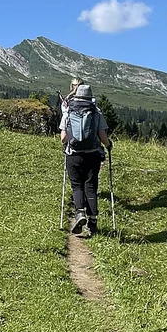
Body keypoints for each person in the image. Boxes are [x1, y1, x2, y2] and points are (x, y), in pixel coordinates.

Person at [60, 83, 111, 238]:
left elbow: (63, 137)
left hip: (74, 154)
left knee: (76, 185)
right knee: (91, 186)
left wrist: (66, 145)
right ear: (90, 97)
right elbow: (102, 136)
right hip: (93, 155)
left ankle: (80, 212)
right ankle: (93, 222)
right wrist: (108, 145)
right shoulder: (96, 112)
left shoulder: (69, 110)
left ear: (76, 95)